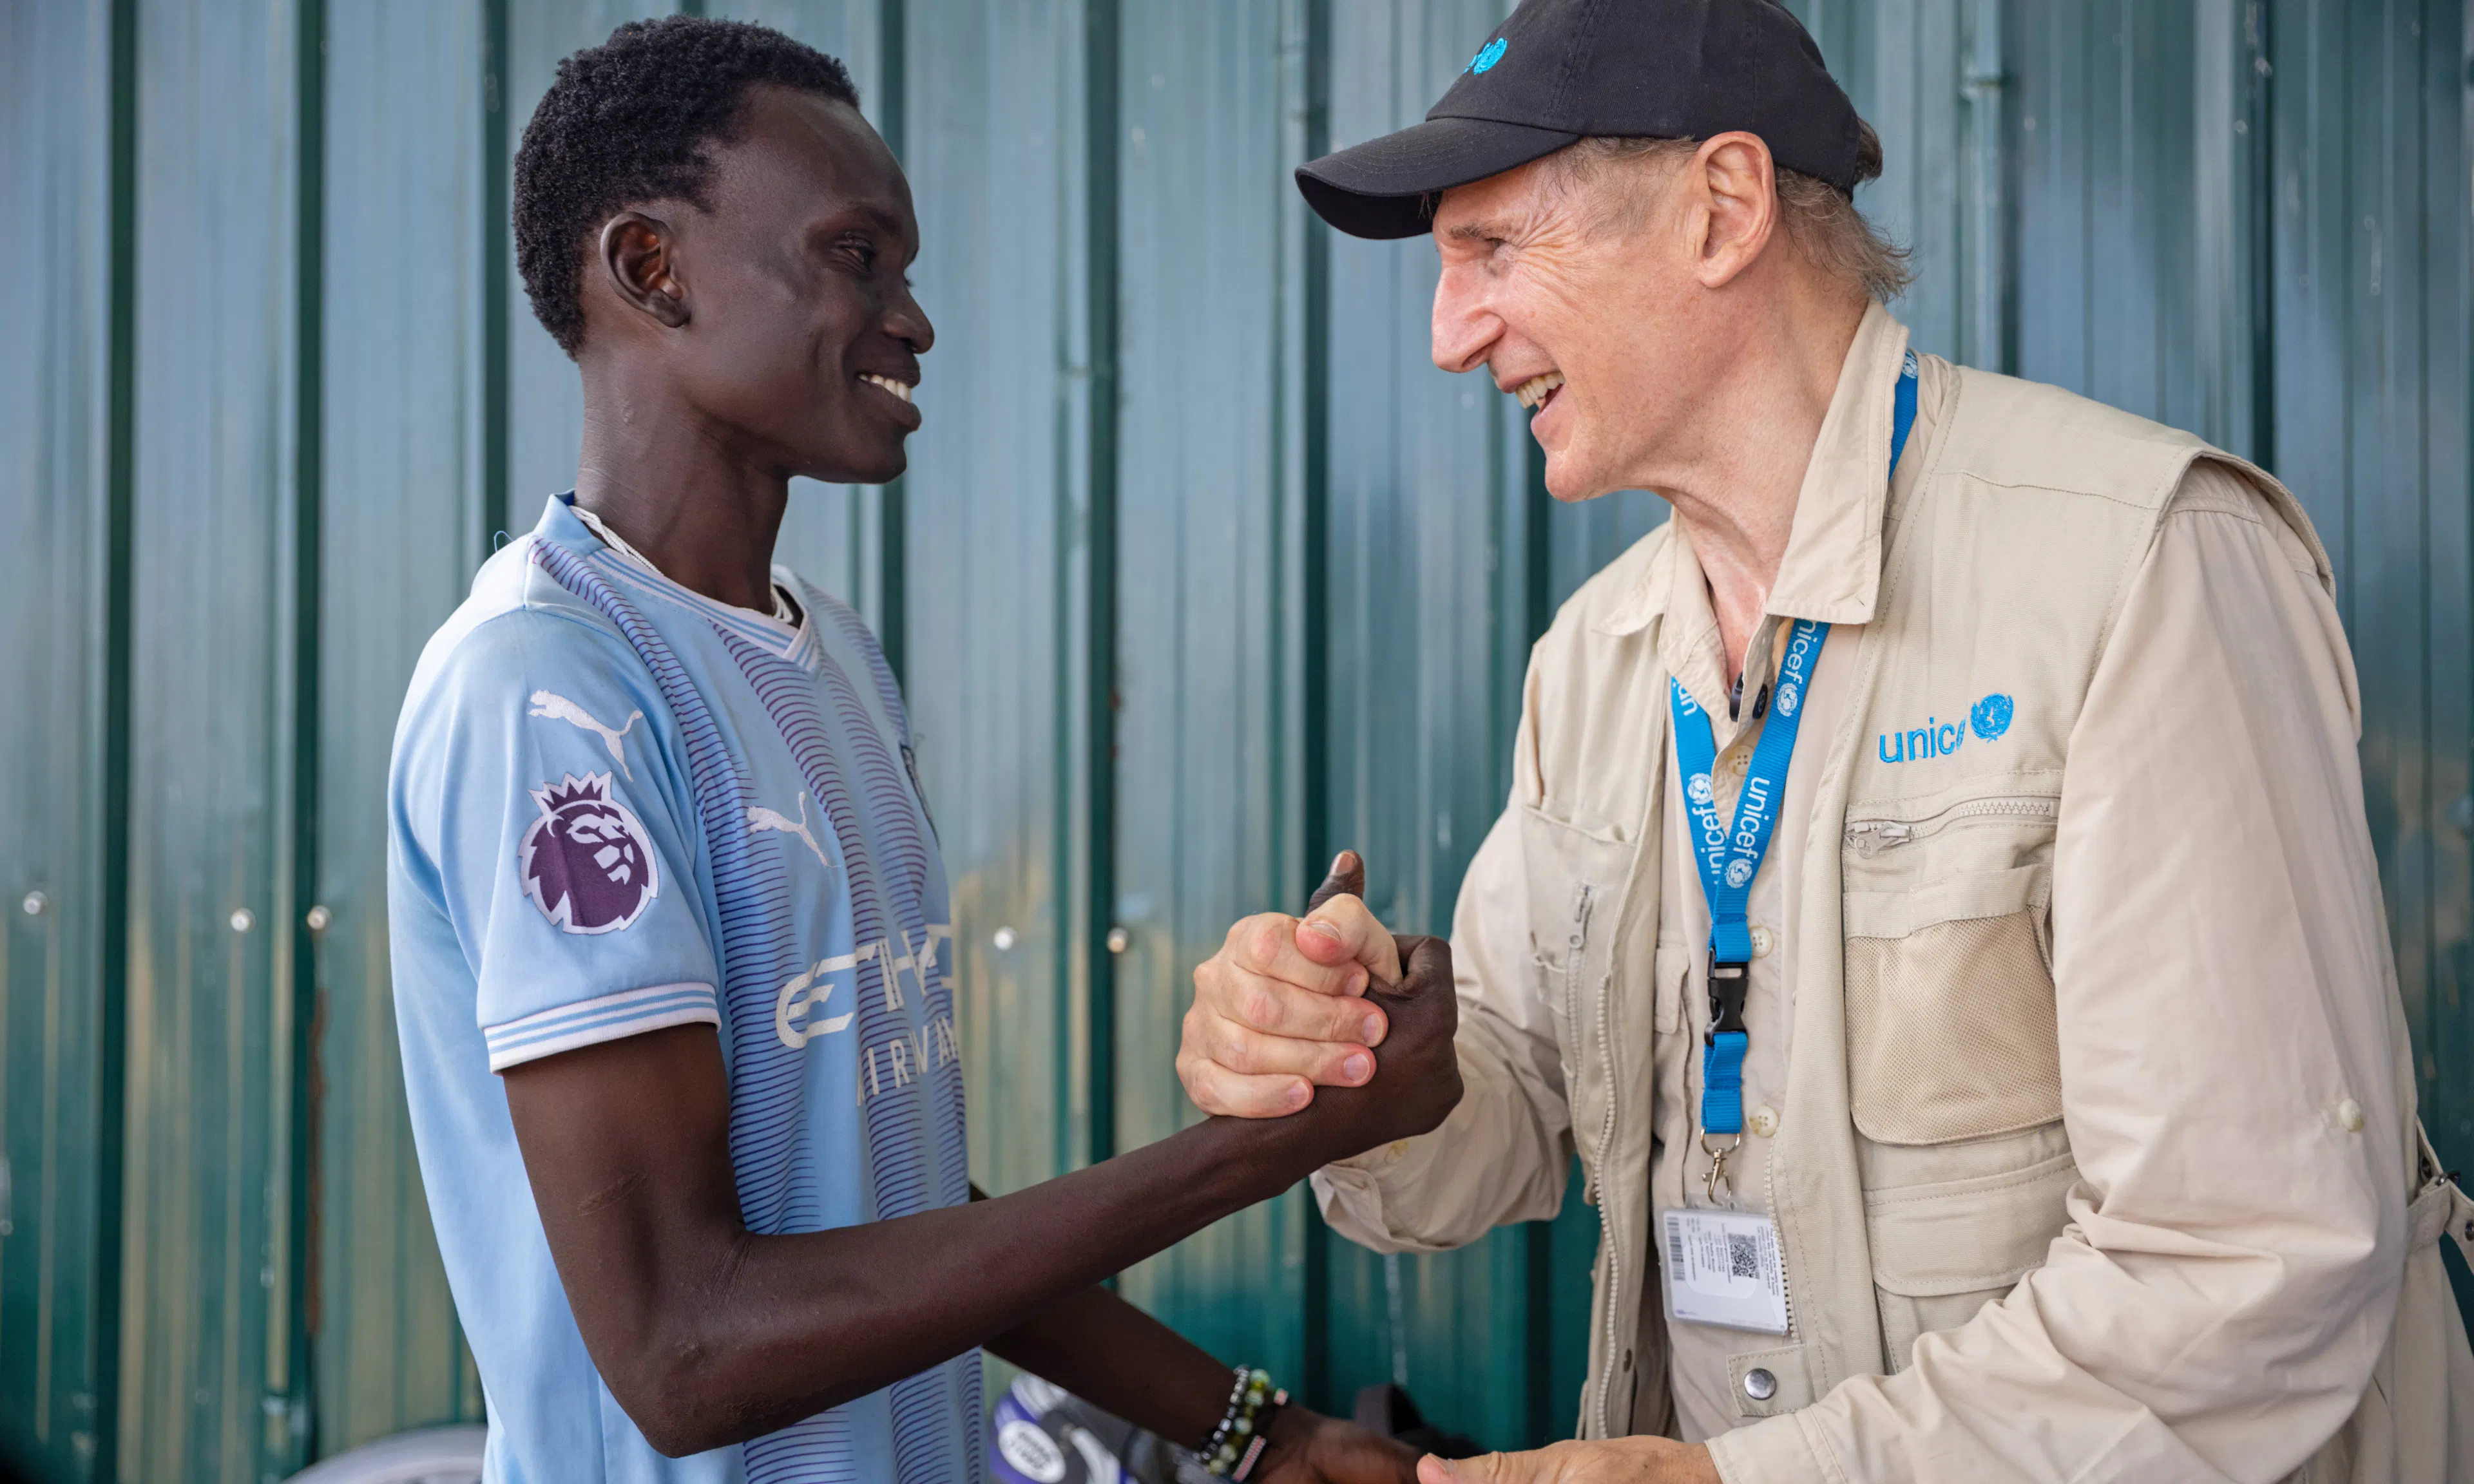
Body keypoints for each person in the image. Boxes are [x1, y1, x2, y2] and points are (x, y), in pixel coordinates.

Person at [1175, 1, 2474, 1480]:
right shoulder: (1594, 662)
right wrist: (1347, 1068)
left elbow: (2252, 1263)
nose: (1448, 335)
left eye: (1491, 250)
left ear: (1721, 209)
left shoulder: (2142, 567)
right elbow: (1509, 1119)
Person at [385, 18, 1457, 1482]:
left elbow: (872, 1198)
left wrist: (1252, 1432)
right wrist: (1274, 1140)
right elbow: (685, 1353)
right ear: (652, 270)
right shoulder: (544, 690)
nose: (914, 317)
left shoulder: (832, 657)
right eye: (855, 257)